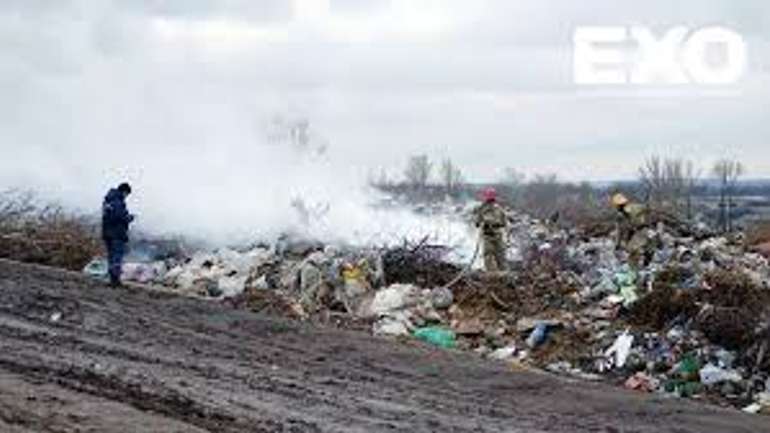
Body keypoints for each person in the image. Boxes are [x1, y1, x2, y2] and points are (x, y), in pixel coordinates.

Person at [102, 182, 134, 287]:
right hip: (117, 234)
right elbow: (119, 217)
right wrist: (129, 218)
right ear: (124, 191)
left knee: (111, 257)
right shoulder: (118, 202)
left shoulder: (108, 200)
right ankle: (115, 281)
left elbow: (109, 216)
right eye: (127, 194)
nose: (126, 196)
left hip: (107, 233)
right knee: (117, 257)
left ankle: (112, 279)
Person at [473, 187, 508, 272]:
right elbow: (477, 222)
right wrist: (482, 223)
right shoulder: (481, 209)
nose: (490, 201)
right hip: (487, 234)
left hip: (497, 234)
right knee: (488, 254)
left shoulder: (499, 208)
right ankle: (491, 273)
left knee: (500, 255)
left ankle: (503, 272)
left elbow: (504, 222)